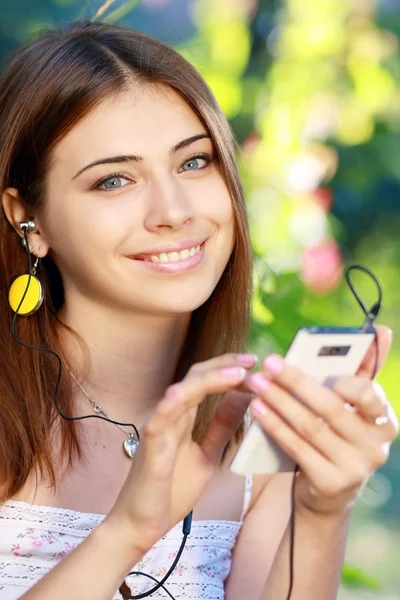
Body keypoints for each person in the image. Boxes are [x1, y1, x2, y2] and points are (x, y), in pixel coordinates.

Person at [0, 20, 397, 600]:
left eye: (193, 163)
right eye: (114, 180)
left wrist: (322, 509)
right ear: (26, 220)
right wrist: (127, 533)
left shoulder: (252, 445)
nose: (174, 210)